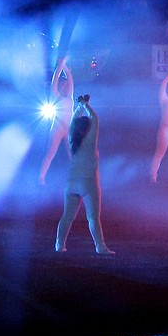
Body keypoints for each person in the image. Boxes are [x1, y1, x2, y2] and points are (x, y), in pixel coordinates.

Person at [55, 94, 114, 254]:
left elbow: (73, 121)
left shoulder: (71, 140)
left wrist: (80, 106)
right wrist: (85, 105)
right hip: (88, 184)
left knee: (67, 216)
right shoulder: (90, 141)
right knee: (93, 218)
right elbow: (95, 119)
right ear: (87, 130)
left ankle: (59, 245)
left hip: (71, 184)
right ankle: (100, 246)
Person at [38, 57, 74, 186]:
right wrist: (60, 66)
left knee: (73, 156)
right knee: (50, 154)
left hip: (69, 129)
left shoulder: (70, 96)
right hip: (57, 129)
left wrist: (64, 66)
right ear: (59, 86)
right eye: (62, 85)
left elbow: (70, 79)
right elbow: (55, 79)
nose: (65, 86)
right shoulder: (56, 95)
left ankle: (76, 178)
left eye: (66, 85)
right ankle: (41, 178)